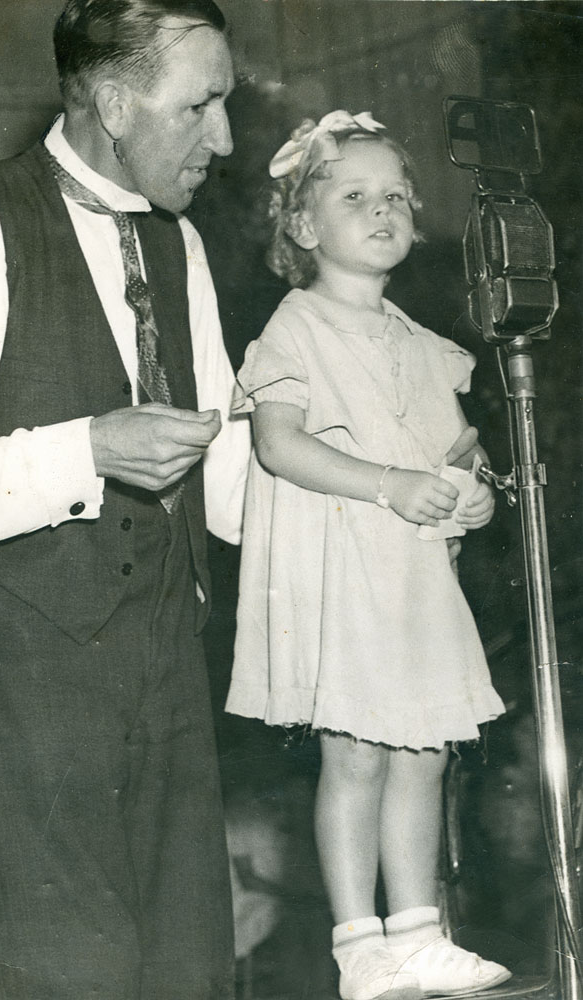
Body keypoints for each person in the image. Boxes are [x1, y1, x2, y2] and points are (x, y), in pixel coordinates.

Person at [0, 2, 251, 998]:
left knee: (192, 976)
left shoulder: (184, 246)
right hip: (36, 690)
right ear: (115, 103)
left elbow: (233, 497)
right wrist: (88, 449)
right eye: (200, 105)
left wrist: (366, 470)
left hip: (171, 673)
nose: (226, 139)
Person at [224, 111, 512, 1000]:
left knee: (424, 749)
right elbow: (279, 445)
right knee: (356, 753)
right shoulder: (295, 329)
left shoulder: (425, 349)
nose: (381, 209)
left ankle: (417, 930)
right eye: (354, 195)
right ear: (305, 227)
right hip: (342, 573)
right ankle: (360, 947)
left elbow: (466, 460)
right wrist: (389, 484)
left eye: (395, 195)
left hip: (414, 579)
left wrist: (471, 493)